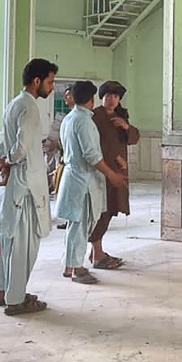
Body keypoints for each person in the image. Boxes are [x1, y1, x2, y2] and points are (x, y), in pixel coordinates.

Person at [0, 58, 57, 315]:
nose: (51, 87)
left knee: (8, 240)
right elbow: (20, 148)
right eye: (50, 82)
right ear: (37, 81)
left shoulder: (14, 104)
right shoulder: (29, 107)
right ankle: (15, 300)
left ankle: (3, 290)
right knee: (23, 246)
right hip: (26, 185)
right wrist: (7, 161)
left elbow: (7, 145)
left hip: (16, 185)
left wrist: (2, 162)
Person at [54, 80, 127, 285]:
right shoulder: (84, 121)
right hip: (82, 180)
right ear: (91, 99)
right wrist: (112, 175)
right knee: (80, 225)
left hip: (75, 177)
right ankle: (76, 268)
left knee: (75, 225)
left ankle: (70, 265)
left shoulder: (70, 118)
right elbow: (92, 156)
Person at [87, 81, 139, 270]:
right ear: (102, 97)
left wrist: (125, 126)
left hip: (118, 171)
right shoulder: (95, 116)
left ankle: (96, 252)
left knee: (111, 209)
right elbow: (94, 146)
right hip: (103, 171)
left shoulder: (120, 116)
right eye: (108, 96)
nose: (112, 100)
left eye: (116, 96)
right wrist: (114, 159)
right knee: (102, 210)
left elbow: (134, 138)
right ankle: (97, 253)